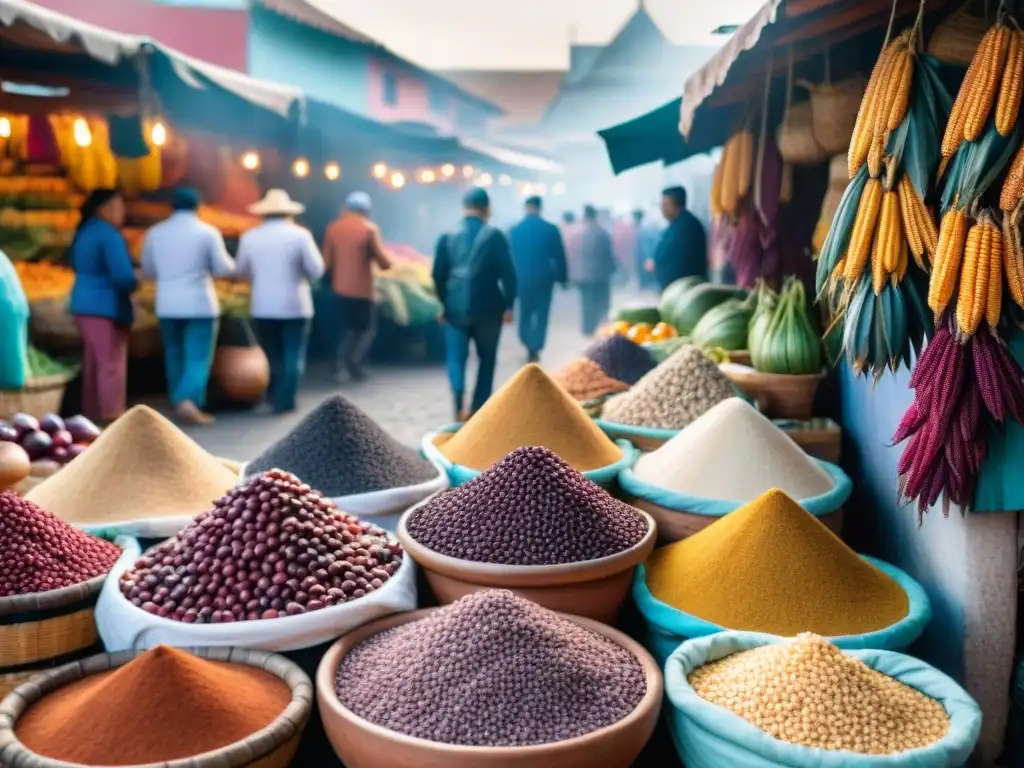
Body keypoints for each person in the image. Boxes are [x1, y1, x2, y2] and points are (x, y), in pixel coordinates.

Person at [141, 187, 234, 425]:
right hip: (199, 303)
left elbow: (148, 270)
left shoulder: (155, 233)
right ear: (198, 206)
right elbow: (222, 268)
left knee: (174, 355)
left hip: (167, 303)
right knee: (197, 356)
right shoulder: (207, 232)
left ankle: (177, 402)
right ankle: (188, 401)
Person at [235, 189, 324, 414]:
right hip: (296, 305)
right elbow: (316, 269)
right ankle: (286, 399)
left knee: (272, 354)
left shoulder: (250, 237)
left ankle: (274, 396)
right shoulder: (300, 235)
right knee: (293, 353)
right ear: (288, 213)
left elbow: (241, 270)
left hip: (263, 305)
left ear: (263, 213)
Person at [433, 187, 517, 421]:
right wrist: (509, 306)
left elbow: (438, 274)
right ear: (487, 209)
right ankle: (478, 410)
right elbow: (508, 274)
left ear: (465, 208)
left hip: (454, 308)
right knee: (487, 358)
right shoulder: (496, 236)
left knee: (456, 358)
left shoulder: (447, 236)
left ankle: (458, 403)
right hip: (489, 309)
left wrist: (442, 303)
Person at [68, 189, 137, 425]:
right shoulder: (109, 235)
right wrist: (136, 281)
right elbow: (123, 276)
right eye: (118, 206)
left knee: (94, 362)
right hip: (105, 306)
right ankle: (112, 416)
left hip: (82, 304)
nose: (122, 212)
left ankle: (91, 415)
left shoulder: (85, 231)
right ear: (103, 209)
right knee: (111, 363)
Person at [322, 191, 392, 381]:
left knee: (342, 329)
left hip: (339, 289)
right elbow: (384, 262)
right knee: (365, 330)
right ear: (366, 210)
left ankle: (337, 365)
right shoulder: (370, 229)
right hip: (363, 291)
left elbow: (325, 263)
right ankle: (353, 361)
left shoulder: (333, 228)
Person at [508, 195, 567, 363]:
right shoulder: (550, 229)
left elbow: (508, 258)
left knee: (525, 312)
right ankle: (536, 345)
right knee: (542, 314)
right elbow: (559, 255)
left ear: (526, 207)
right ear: (540, 208)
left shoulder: (515, 230)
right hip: (544, 280)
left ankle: (527, 341)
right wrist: (563, 278)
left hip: (522, 280)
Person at [646, 186, 708, 290]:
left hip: (685, 288)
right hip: (675, 288)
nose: (662, 209)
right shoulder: (676, 224)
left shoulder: (688, 226)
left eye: (665, 204)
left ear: (676, 204)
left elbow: (682, 260)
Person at [576, 204, 616, 337]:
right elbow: (608, 254)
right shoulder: (602, 233)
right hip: (600, 274)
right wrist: (612, 269)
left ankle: (587, 328)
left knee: (587, 303)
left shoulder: (580, 233)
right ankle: (599, 327)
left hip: (584, 275)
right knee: (600, 303)